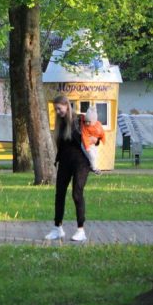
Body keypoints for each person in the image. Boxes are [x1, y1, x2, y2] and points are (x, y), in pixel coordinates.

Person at [45, 95, 95, 242]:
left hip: (81, 163)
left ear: (67, 105)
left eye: (59, 109)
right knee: (59, 193)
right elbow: (61, 145)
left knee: (76, 194)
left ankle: (81, 230)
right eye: (56, 110)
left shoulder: (79, 121)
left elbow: (94, 137)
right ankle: (57, 228)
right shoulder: (60, 124)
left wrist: (96, 141)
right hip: (65, 163)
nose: (58, 112)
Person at [80, 107, 105, 174]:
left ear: (94, 121)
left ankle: (92, 166)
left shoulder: (98, 125)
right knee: (92, 156)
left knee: (95, 155)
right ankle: (94, 169)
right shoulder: (85, 127)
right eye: (86, 121)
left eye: (89, 122)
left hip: (93, 144)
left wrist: (102, 139)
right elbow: (84, 137)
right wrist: (87, 146)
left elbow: (101, 133)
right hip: (86, 144)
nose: (87, 123)